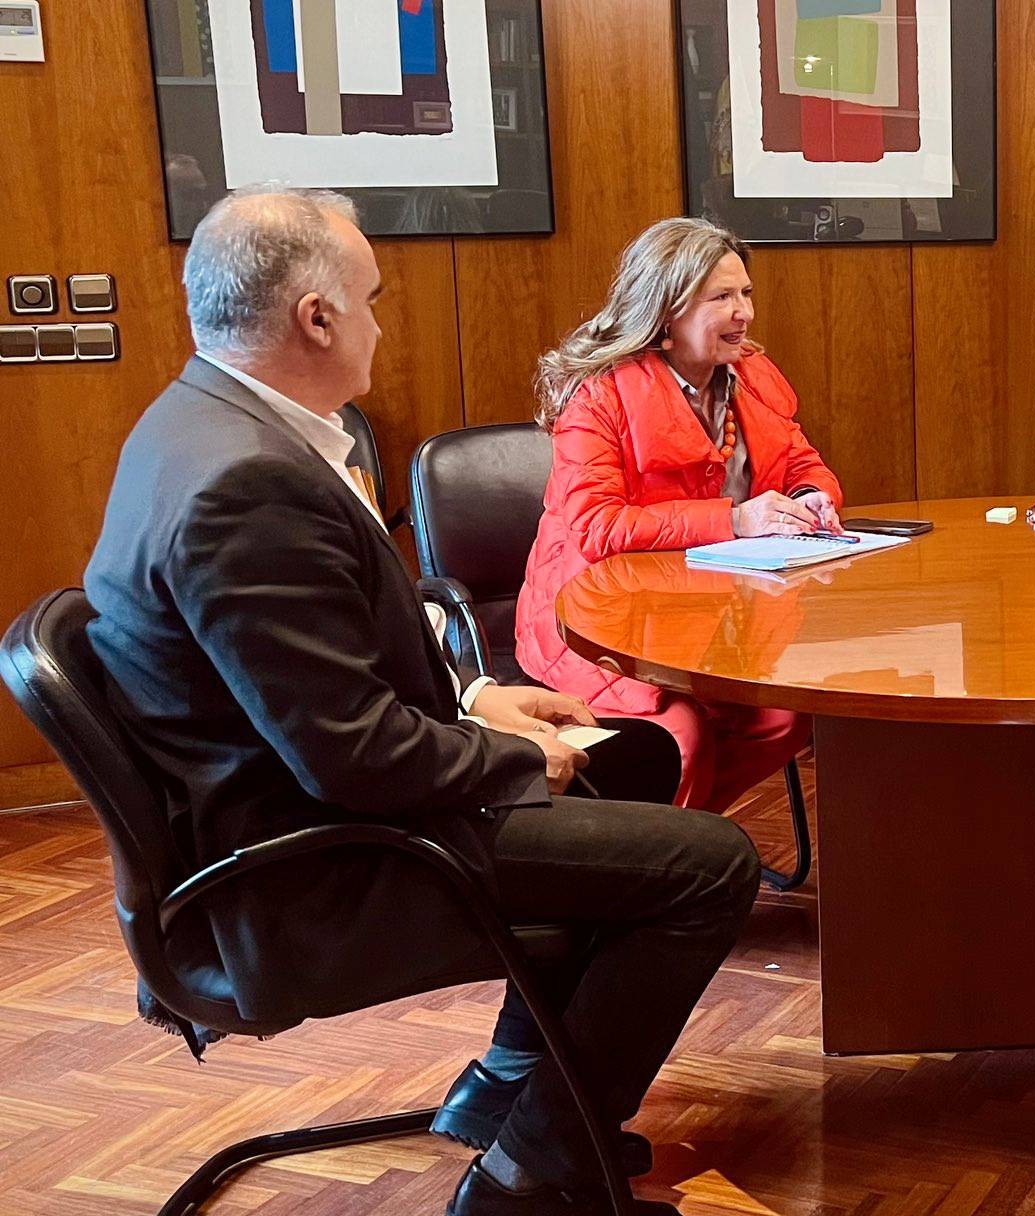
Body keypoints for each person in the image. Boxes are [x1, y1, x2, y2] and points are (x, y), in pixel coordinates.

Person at [84, 187, 757, 1216]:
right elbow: (350, 756)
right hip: (318, 866)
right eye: (371, 297)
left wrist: (480, 696)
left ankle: (505, 1097)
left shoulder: (191, 426)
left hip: (301, 811)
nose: (379, 321)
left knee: (635, 774)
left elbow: (315, 676)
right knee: (708, 864)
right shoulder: (246, 487)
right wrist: (518, 761)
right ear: (316, 317)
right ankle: (531, 1173)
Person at [515, 218, 839, 814]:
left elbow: (802, 461)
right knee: (682, 738)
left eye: (746, 293)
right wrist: (735, 520)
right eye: (721, 297)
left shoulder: (753, 375)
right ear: (665, 312)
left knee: (783, 716)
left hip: (715, 614)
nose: (743, 312)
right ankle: (666, 869)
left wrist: (816, 494)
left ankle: (686, 843)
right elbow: (597, 525)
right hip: (596, 622)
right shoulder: (599, 395)